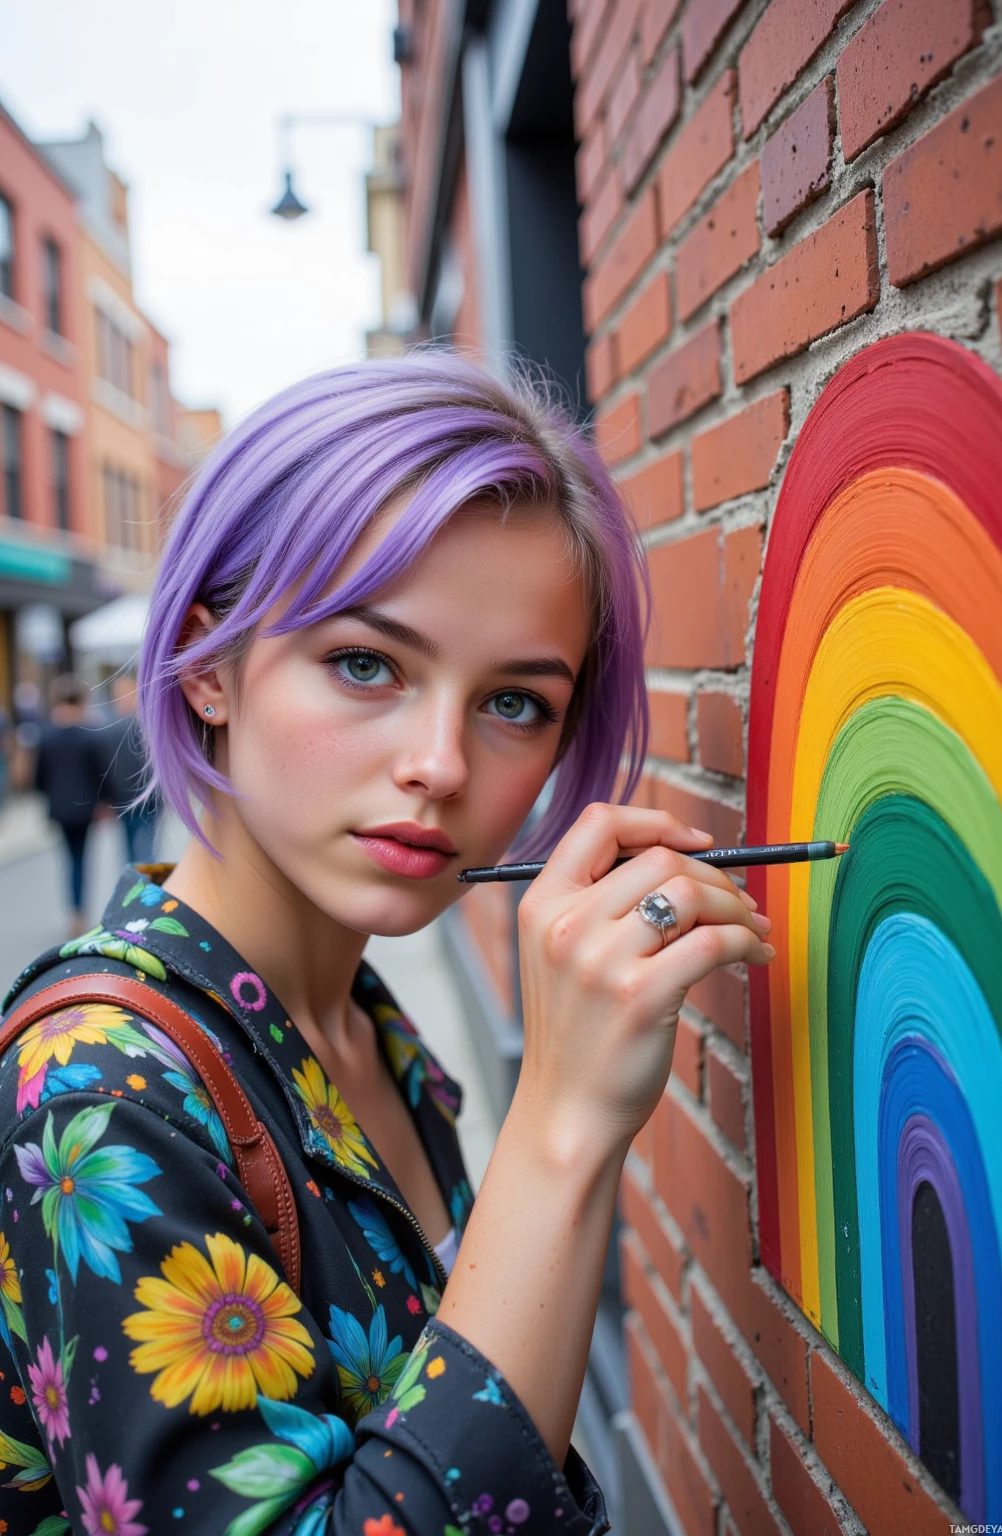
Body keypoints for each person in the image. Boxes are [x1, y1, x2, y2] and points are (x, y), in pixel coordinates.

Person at [0, 356, 774, 1532]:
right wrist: (561, 1130)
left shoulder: (360, 1024)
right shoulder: (102, 1089)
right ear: (210, 665)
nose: (443, 765)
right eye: (365, 665)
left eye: (515, 702)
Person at [31, 671, 107, 938]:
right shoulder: (90, 732)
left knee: (69, 858)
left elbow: (39, 776)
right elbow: (100, 772)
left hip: (59, 807)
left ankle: (74, 911)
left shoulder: (47, 735)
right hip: (85, 807)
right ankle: (80, 911)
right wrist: (104, 802)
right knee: (82, 858)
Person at [100, 671, 163, 864]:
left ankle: (140, 887)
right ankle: (139, 887)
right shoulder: (111, 726)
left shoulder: (144, 723)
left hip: (145, 798)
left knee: (142, 849)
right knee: (139, 849)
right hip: (126, 798)